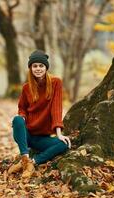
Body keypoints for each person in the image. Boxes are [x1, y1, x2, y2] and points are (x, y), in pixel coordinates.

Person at [8, 50, 71, 179]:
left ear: (46, 67)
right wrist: (22, 117)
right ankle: (25, 157)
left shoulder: (56, 83)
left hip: (42, 138)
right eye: (35, 66)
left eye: (41, 66)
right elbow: (22, 108)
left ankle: (31, 163)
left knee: (64, 144)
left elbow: (56, 108)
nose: (38, 69)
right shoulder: (26, 87)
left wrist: (59, 133)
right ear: (30, 68)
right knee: (17, 120)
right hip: (28, 135)